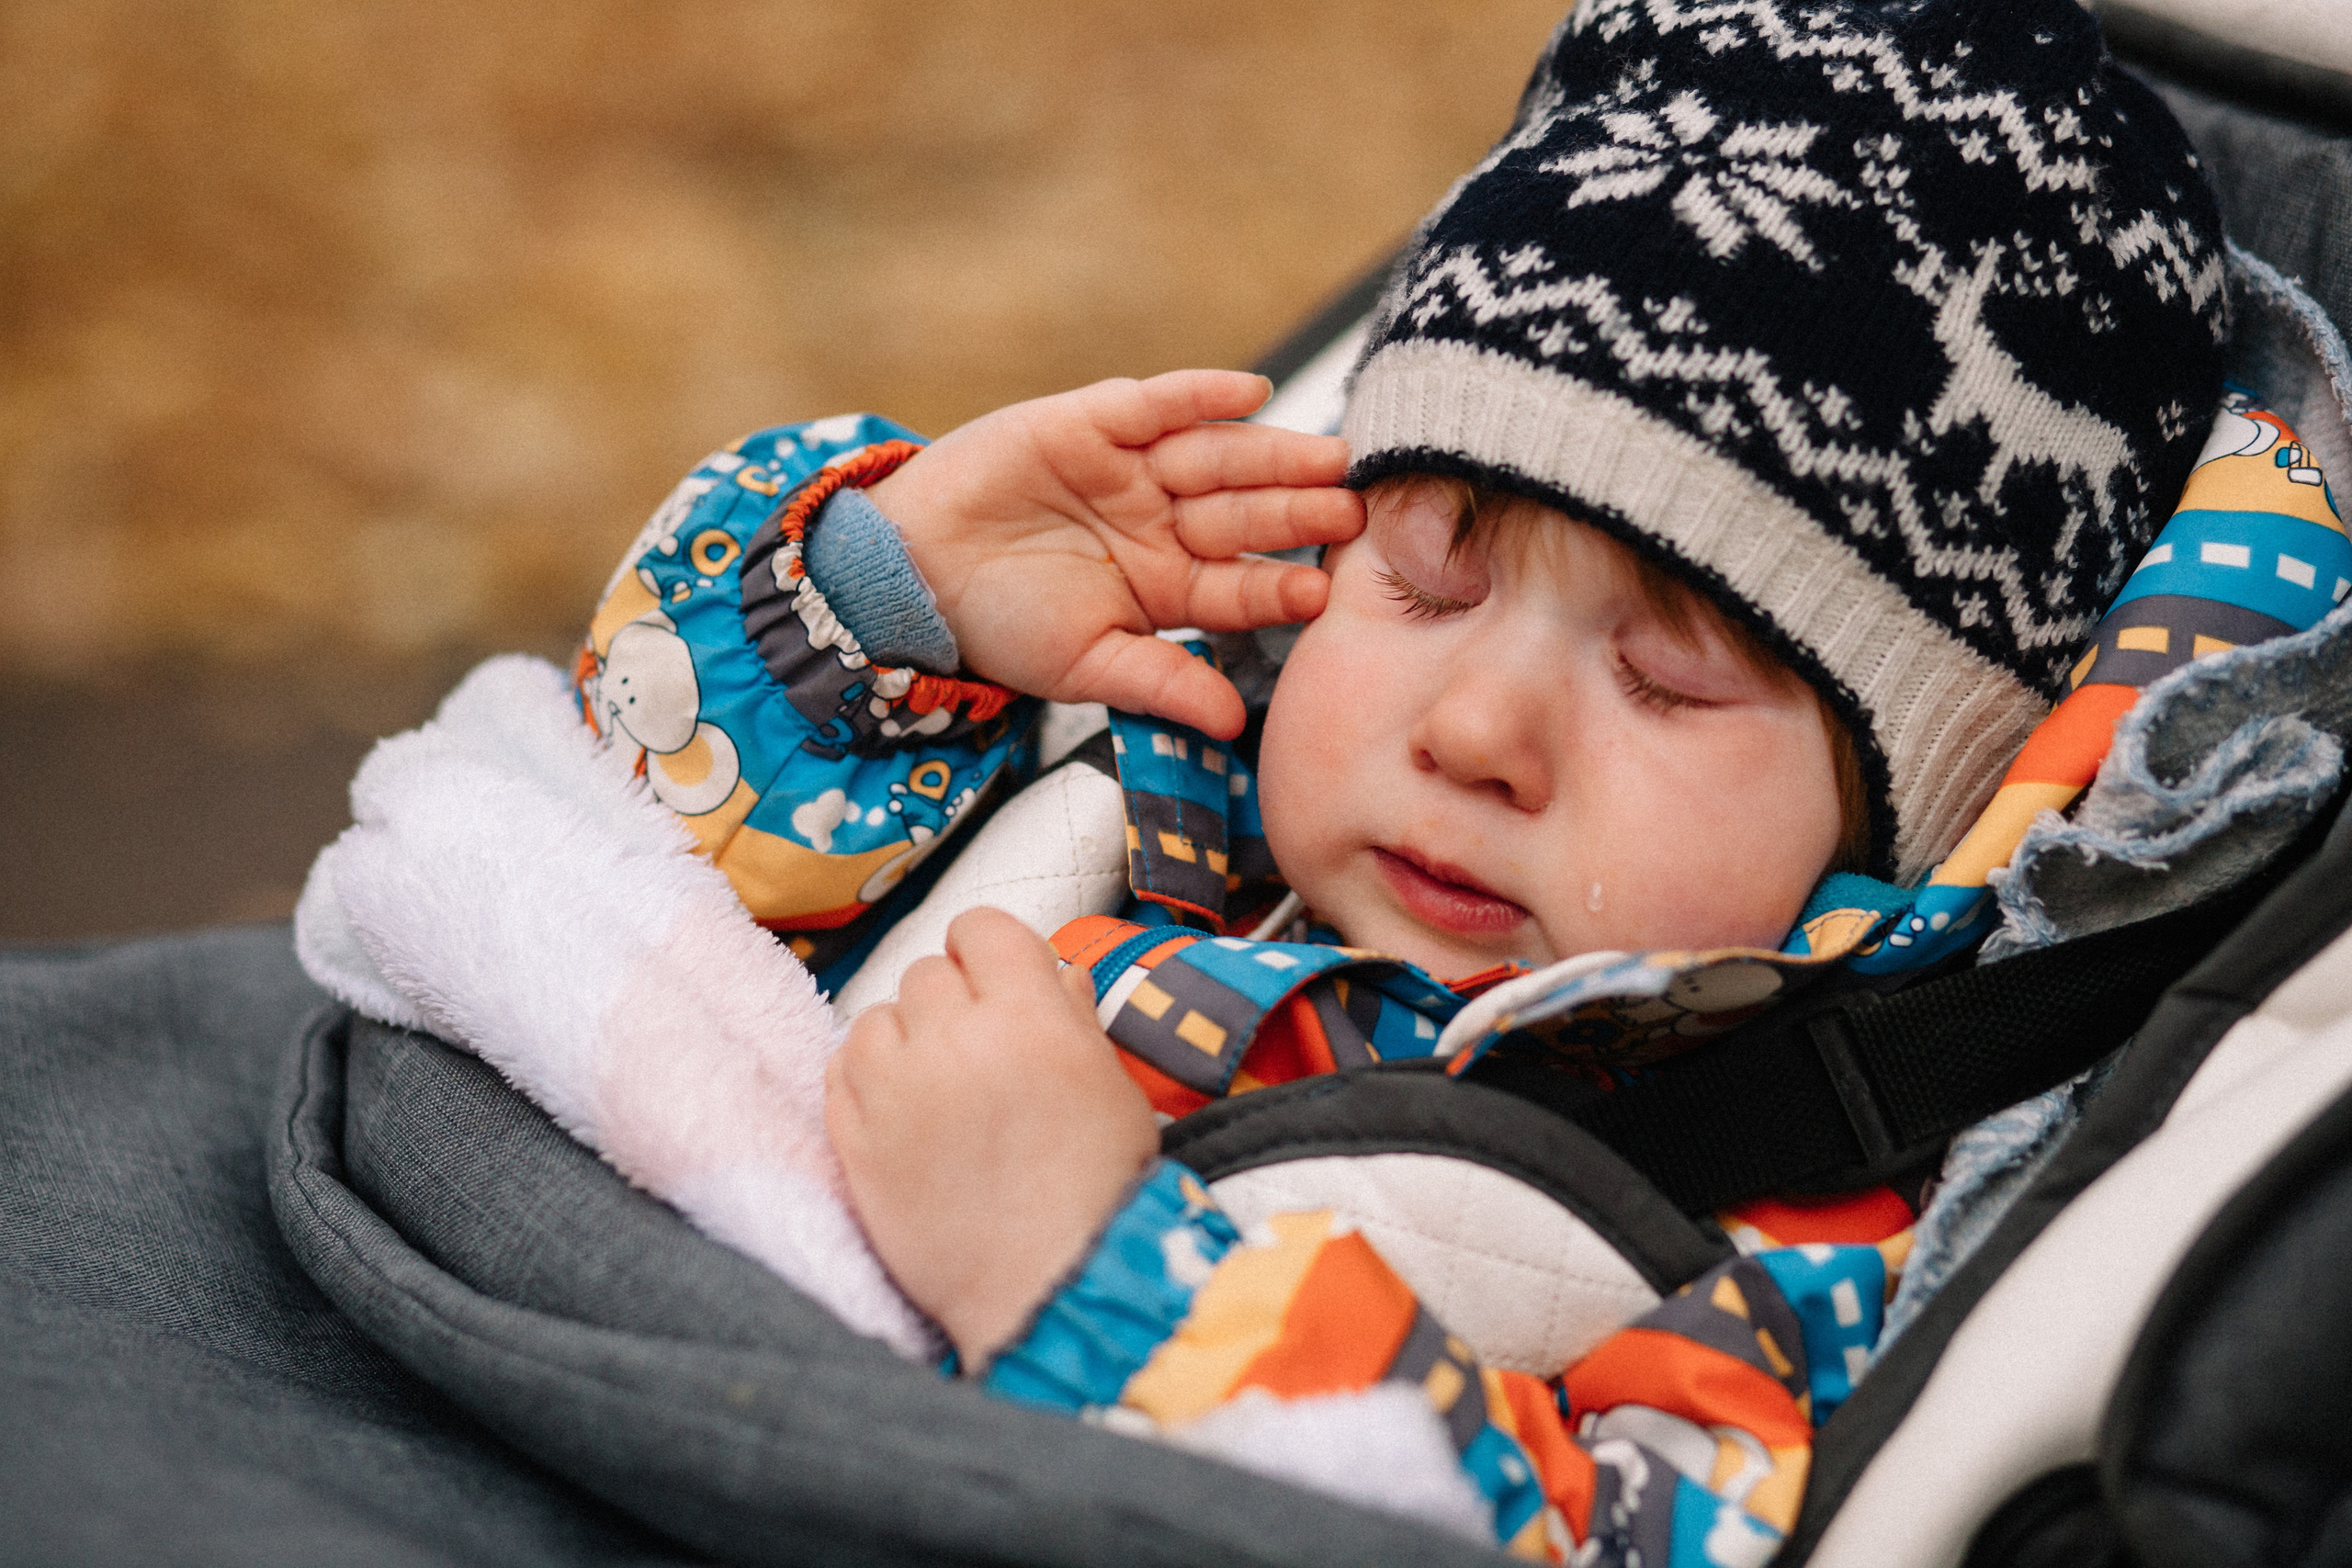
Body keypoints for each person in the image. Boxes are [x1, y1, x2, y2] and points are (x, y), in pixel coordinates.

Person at [343, 0, 2233, 1559]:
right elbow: (638, 868)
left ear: (1902, 806)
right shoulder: (1171, 798)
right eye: (1421, 578)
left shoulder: (1792, 1229)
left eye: (1664, 675)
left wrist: (1089, 1272)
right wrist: (872, 601)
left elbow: (1603, 1530)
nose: (1473, 728)